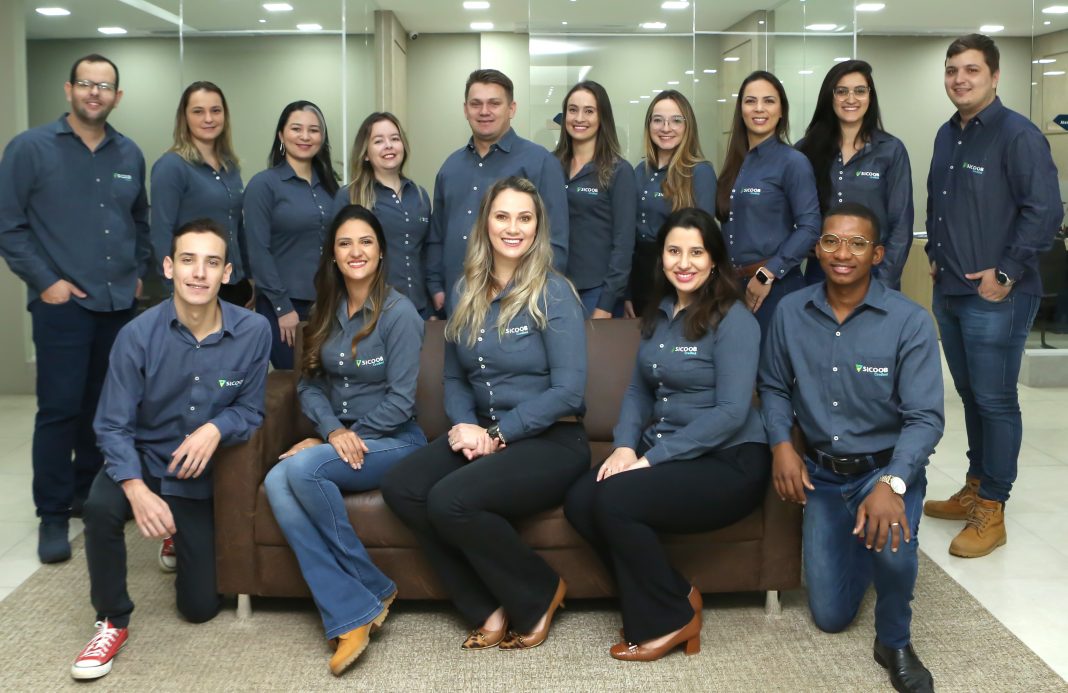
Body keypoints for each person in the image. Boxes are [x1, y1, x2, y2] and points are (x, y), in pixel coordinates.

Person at [381, 176, 588, 651]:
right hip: (486, 432)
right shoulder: (465, 290)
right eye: (502, 216)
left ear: (538, 227)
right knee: (402, 485)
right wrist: (466, 426)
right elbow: (454, 378)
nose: (513, 228)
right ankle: (485, 604)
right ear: (485, 224)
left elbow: (569, 392)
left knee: (449, 499)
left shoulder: (554, 292)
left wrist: (496, 434)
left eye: (525, 218)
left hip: (552, 440)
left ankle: (539, 591)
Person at [564, 207, 769, 661]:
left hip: (729, 460)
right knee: (581, 499)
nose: (684, 262)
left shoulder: (734, 319)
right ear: (661, 257)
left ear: (714, 260)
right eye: (674, 251)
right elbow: (639, 389)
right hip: (668, 449)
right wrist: (624, 446)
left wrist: (649, 460)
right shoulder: (659, 312)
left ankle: (668, 620)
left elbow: (732, 413)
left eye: (697, 252)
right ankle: (674, 594)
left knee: (615, 500)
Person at [70, 219, 271, 680]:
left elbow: (250, 410)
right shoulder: (137, 335)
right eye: (188, 260)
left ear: (226, 273)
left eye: (212, 262)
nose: (199, 273)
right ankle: (111, 620)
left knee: (199, 608)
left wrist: (216, 428)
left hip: (196, 472)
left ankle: (174, 533)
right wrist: (136, 490)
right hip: (143, 458)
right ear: (168, 267)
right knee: (100, 507)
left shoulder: (254, 331)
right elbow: (112, 424)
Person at [759, 203, 943, 693]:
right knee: (831, 616)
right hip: (822, 477)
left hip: (884, 470)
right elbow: (773, 386)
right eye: (831, 241)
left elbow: (925, 418)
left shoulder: (909, 321)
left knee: (896, 553)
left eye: (858, 244)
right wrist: (781, 445)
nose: (843, 253)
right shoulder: (791, 313)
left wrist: (893, 483)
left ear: (877, 254)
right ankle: (866, 544)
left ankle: (894, 641)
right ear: (817, 249)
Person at [0, 54, 151, 564]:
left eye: (104, 86)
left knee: (104, 409)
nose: (94, 93)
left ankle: (89, 493)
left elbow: (140, 220)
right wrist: (47, 283)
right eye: (86, 83)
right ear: (69, 89)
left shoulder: (128, 153)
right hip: (62, 306)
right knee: (59, 410)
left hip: (117, 304)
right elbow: (8, 226)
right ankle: (52, 513)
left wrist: (137, 273)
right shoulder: (30, 149)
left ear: (117, 97)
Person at [264, 204, 426, 676]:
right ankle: (356, 605)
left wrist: (341, 439)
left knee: (302, 469)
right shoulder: (323, 311)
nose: (356, 251)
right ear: (333, 255)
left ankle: (367, 587)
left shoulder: (399, 314)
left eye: (366, 242)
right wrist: (331, 432)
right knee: (275, 481)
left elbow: (401, 401)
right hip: (343, 437)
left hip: (396, 440)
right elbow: (309, 385)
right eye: (345, 243)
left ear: (381, 251)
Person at [922, 34, 1063, 558]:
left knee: (996, 400)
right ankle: (976, 484)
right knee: (971, 396)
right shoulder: (947, 133)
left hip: (997, 296)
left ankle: (993, 508)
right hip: (951, 289)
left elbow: (1045, 211)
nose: (959, 79)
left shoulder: (1018, 135)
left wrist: (1005, 272)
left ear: (995, 76)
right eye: (952, 70)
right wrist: (934, 253)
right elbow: (939, 202)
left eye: (971, 70)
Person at [426, 69, 569, 314]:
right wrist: (435, 285)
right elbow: (437, 235)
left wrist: (535, 296)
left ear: (511, 109)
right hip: (457, 300)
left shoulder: (540, 163)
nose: (484, 111)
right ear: (465, 109)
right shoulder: (450, 167)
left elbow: (555, 241)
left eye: (494, 103)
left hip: (518, 302)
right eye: (476, 104)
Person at [716, 71, 821, 336]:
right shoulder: (735, 163)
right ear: (741, 109)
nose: (759, 108)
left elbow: (810, 227)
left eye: (769, 101)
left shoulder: (793, 162)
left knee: (770, 362)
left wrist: (767, 274)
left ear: (781, 110)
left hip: (775, 288)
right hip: (733, 287)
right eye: (750, 101)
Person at [798, 60, 913, 289]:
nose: (851, 99)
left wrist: (885, 283)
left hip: (875, 272)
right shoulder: (806, 149)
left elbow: (901, 224)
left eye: (860, 91)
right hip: (821, 273)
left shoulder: (890, 150)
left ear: (870, 96)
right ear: (830, 97)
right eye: (842, 91)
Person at [245, 100, 340, 368]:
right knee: (293, 380)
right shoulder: (264, 185)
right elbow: (258, 251)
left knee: (330, 380)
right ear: (281, 135)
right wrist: (282, 308)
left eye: (314, 130)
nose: (305, 136)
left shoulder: (331, 188)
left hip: (328, 303)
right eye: (296, 129)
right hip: (285, 306)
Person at [151, 81, 253, 308]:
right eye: (198, 111)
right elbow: (161, 234)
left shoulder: (231, 168)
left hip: (233, 284)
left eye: (215, 111)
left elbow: (237, 227)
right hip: (194, 286)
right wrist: (174, 290)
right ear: (184, 117)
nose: (208, 119)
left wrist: (249, 278)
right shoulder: (171, 166)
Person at [332, 113, 432, 318]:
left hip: (419, 308)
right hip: (371, 309)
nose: (389, 146)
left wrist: (431, 306)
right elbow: (333, 258)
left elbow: (425, 254)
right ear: (366, 154)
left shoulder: (420, 195)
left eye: (395, 139)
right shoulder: (349, 196)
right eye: (378, 141)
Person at [628, 90, 716, 317]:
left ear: (688, 126)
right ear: (649, 125)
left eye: (676, 120)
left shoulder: (700, 172)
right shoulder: (639, 171)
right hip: (639, 278)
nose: (666, 128)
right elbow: (628, 237)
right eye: (658, 120)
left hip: (678, 276)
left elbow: (705, 239)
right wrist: (626, 292)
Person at [553, 80, 636, 318]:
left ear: (602, 118)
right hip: (554, 287)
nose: (579, 118)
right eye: (573, 110)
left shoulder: (619, 171)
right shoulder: (550, 165)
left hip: (597, 292)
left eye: (589, 111)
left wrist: (606, 303)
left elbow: (624, 243)